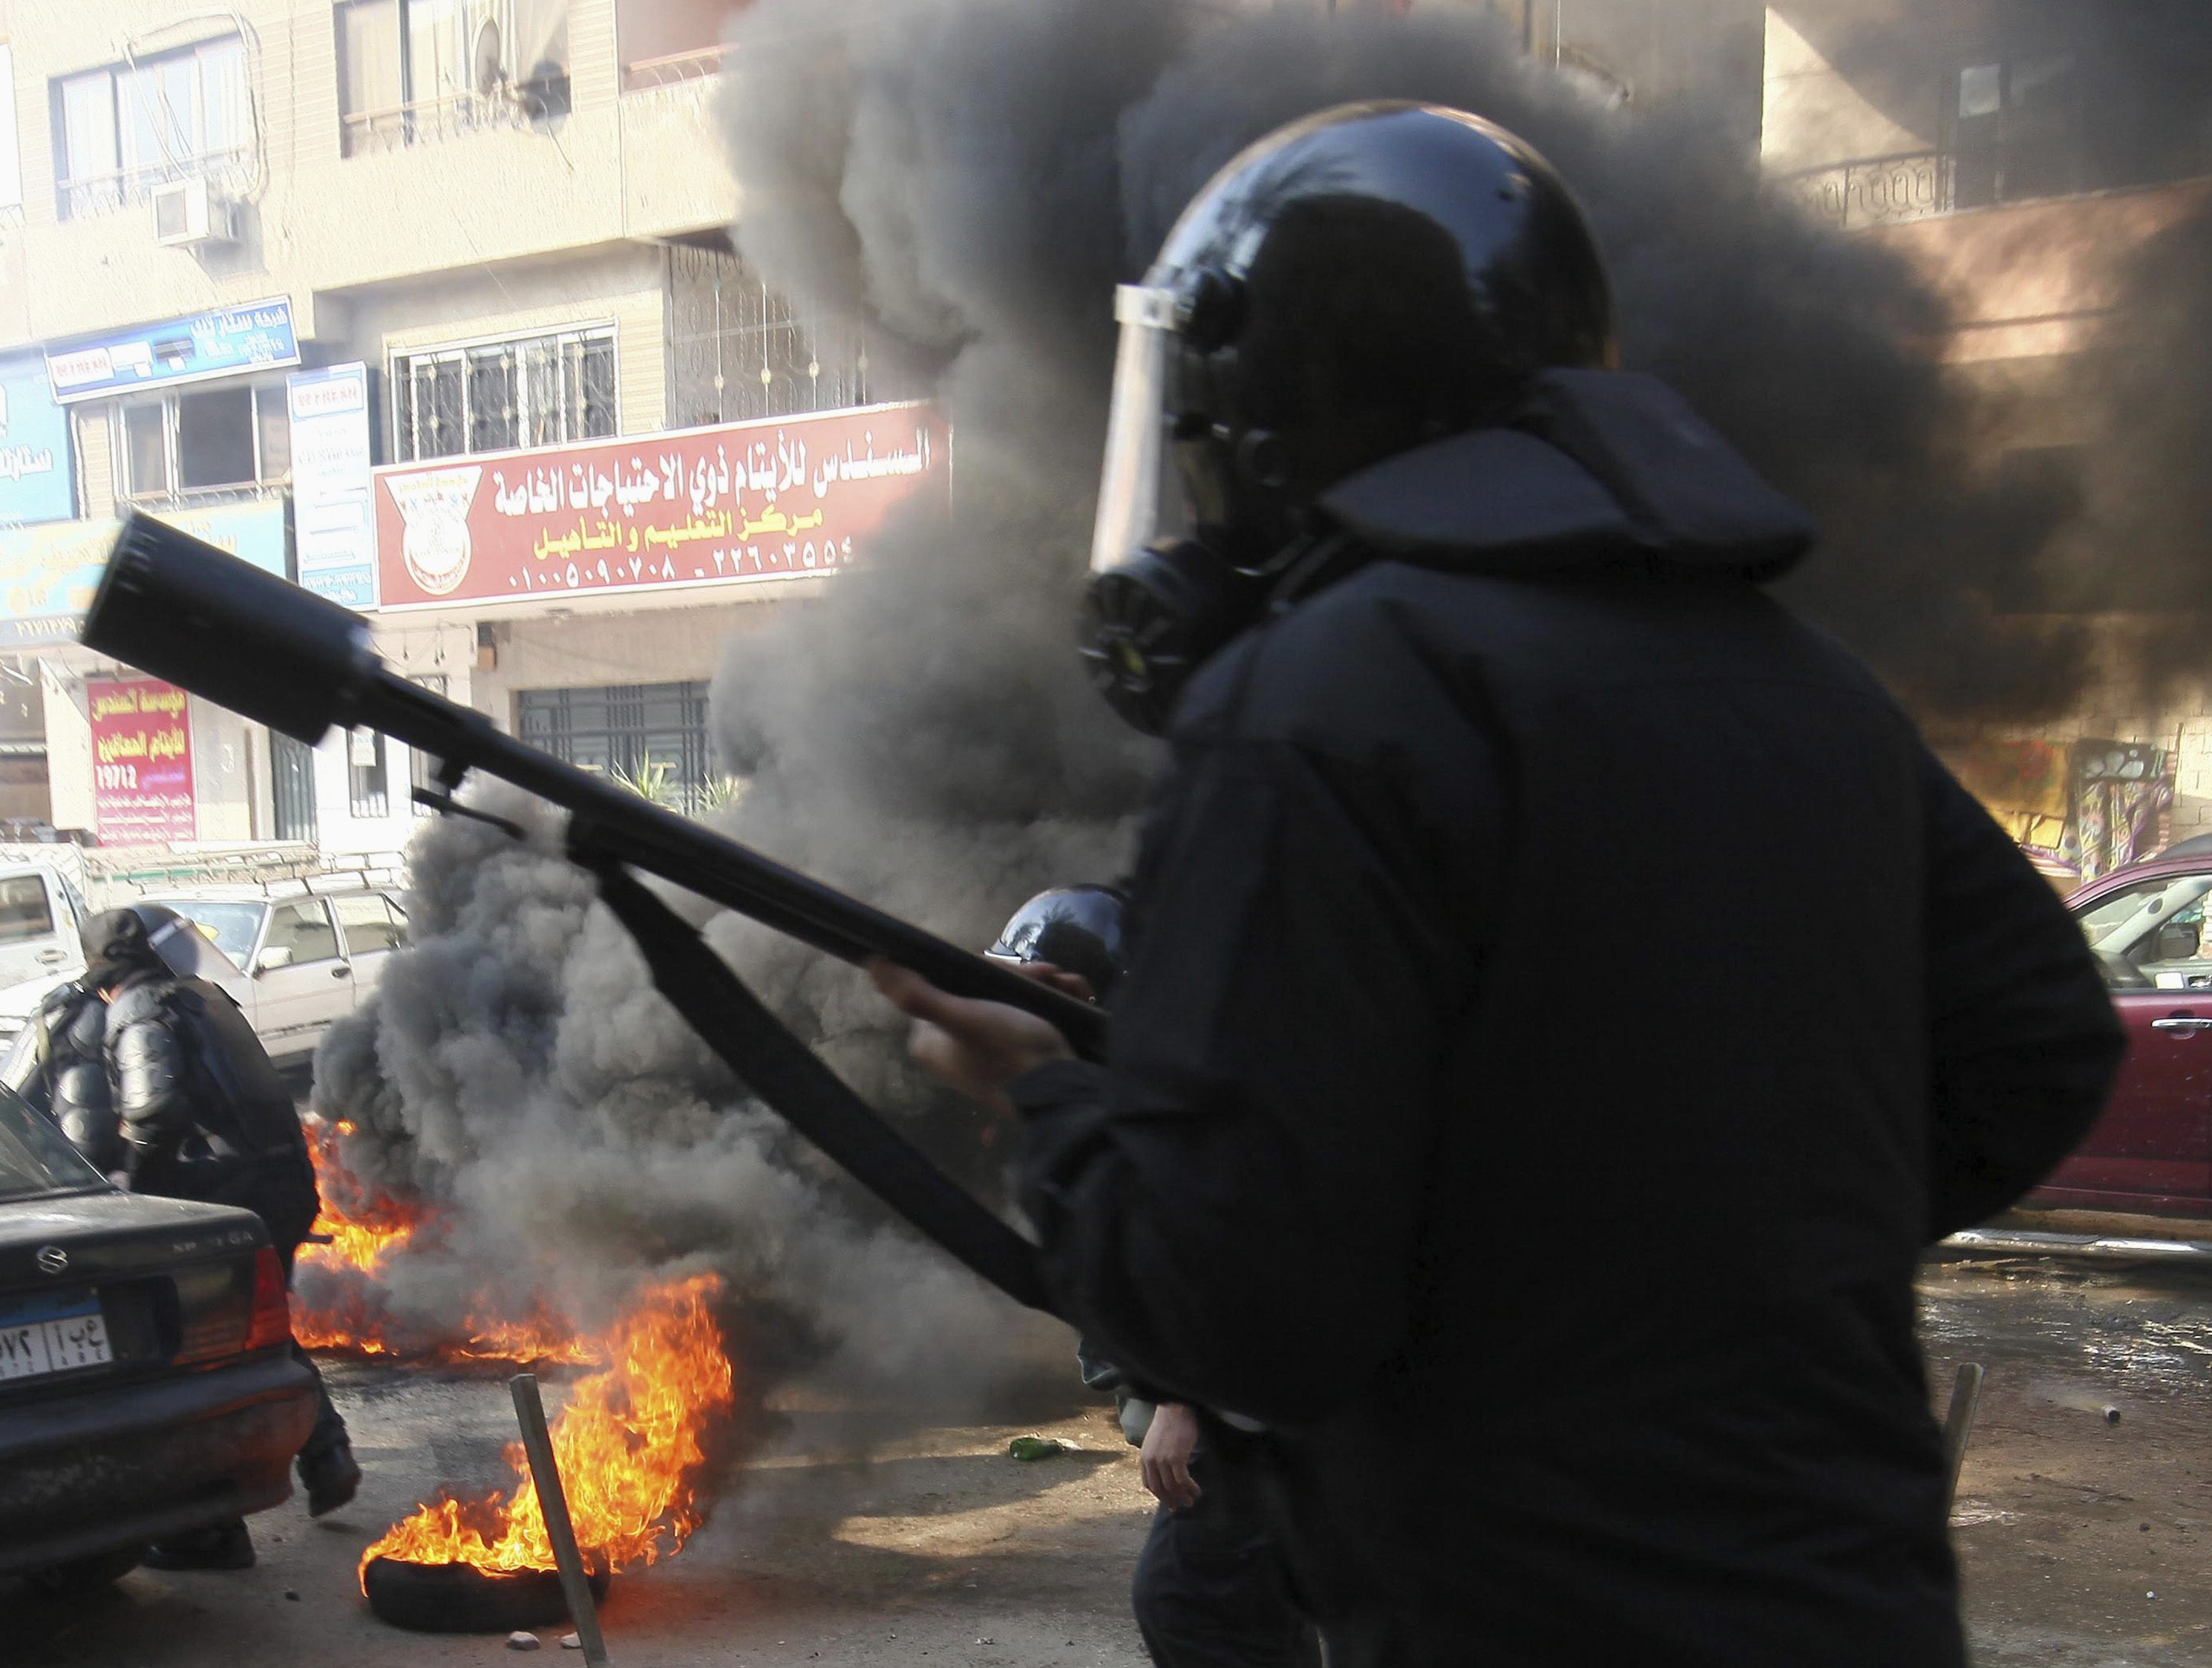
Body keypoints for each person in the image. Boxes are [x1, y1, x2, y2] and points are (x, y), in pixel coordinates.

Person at [876, 102, 2124, 1665]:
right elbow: (2040, 1047)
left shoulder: (1321, 699)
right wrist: (1707, 1258)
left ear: (1275, 410)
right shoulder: (1806, 684)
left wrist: (1051, 1105)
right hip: (1852, 1603)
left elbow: (1244, 1304)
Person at [995, 886, 1320, 1668]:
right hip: (1271, 1405)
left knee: (1188, 1600)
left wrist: (1186, 1401)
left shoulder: (1195, 1086)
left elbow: (1237, 1246)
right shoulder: (1169, 1062)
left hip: (1251, 1404)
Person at [10, 906, 361, 1569]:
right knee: (256, 1337)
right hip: (276, 1189)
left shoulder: (138, 1007)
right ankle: (327, 1457)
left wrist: (135, 1197)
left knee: (191, 1351)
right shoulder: (200, 997)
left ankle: (210, 1527)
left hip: (232, 1201)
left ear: (102, 972)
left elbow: (150, 1108)